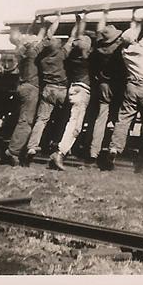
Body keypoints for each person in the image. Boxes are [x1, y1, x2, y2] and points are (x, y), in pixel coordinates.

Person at [105, 5, 143, 172]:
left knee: (124, 119)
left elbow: (131, 33)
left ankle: (114, 148)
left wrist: (135, 17)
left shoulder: (124, 51)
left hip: (131, 86)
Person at [26, 11, 79, 170]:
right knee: (65, 119)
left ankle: (32, 147)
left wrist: (57, 18)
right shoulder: (62, 54)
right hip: (62, 90)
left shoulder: (42, 58)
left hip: (48, 90)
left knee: (41, 120)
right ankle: (58, 146)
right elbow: (72, 37)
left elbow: (48, 35)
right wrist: (77, 23)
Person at [3, 16, 48, 166]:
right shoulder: (32, 53)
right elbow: (43, 36)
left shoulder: (20, 50)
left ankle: (16, 147)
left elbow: (33, 36)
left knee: (22, 118)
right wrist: (45, 24)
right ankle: (13, 152)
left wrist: (35, 23)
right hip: (31, 89)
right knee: (26, 122)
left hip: (22, 87)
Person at [50, 11, 92, 170]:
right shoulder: (88, 59)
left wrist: (79, 21)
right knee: (75, 126)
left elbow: (76, 39)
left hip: (73, 88)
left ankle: (58, 149)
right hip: (82, 92)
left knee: (70, 120)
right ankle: (60, 153)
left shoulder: (71, 55)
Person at [87, 7, 126, 164]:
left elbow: (99, 31)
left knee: (100, 118)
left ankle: (93, 151)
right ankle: (113, 148)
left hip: (103, 85)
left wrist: (103, 14)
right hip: (117, 85)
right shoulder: (118, 47)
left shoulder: (98, 47)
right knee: (119, 118)